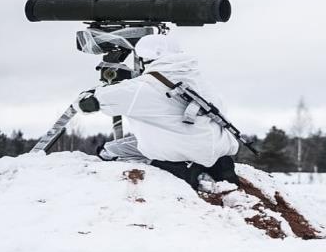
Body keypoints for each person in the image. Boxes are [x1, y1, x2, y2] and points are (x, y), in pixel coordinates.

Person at [74, 34, 240, 190]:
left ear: (144, 58)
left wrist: (105, 88)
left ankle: (181, 169)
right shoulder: (200, 80)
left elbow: (86, 104)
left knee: (107, 150)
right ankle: (217, 167)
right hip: (217, 151)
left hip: (181, 151)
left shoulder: (142, 88)